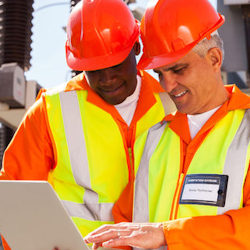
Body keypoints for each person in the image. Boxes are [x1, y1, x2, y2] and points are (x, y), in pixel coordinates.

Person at [0, 0, 175, 249]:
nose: (107, 79)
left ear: (136, 47)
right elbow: (16, 200)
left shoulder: (172, 105)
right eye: (94, 69)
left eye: (114, 64)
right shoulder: (50, 110)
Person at [84, 0, 250, 249]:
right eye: (160, 74)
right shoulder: (153, 139)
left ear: (214, 59)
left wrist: (167, 234)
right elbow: (126, 224)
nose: (167, 85)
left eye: (178, 69)